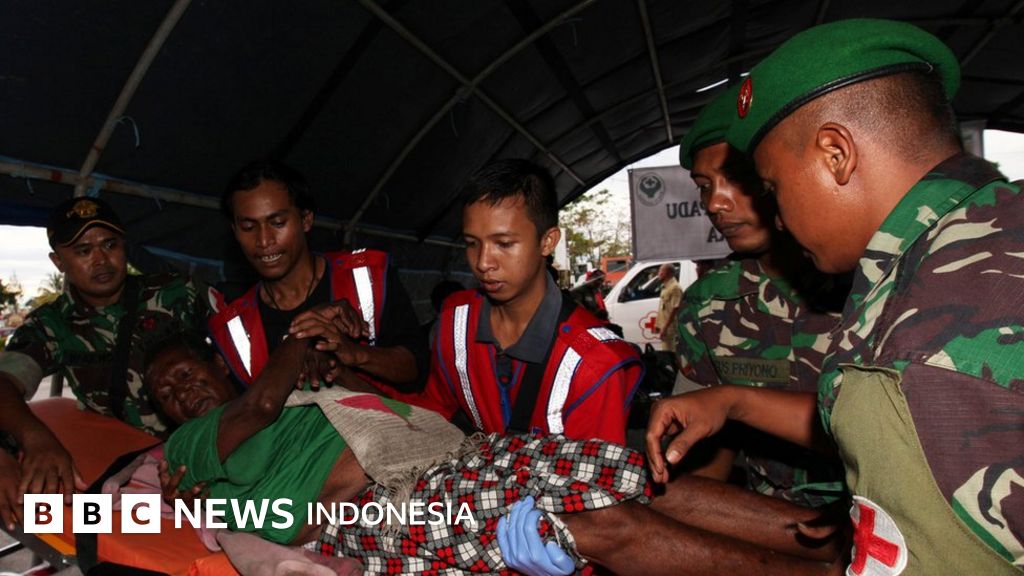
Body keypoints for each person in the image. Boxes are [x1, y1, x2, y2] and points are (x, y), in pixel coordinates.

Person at [649, 19, 1023, 574]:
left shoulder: (909, 346)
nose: (774, 214)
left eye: (770, 187)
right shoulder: (977, 235)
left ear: (835, 153)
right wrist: (734, 401)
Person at [146, 332, 841, 576]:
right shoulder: (193, 441)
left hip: (448, 455)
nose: (182, 394)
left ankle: (842, 547)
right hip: (384, 501)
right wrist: (297, 342)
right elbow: (259, 407)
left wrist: (332, 363)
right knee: (592, 522)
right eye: (165, 394)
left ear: (216, 366)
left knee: (634, 476)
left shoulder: (300, 399)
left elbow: (381, 395)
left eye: (185, 375)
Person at [672, 86, 846, 508]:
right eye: (704, 186)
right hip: (770, 516)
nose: (715, 203)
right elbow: (706, 458)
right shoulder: (708, 304)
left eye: (739, 178)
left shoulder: (869, 282)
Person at [0, 197, 209, 511]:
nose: (101, 260)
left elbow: (241, 344)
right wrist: (34, 440)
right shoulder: (51, 325)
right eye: (83, 251)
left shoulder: (177, 293)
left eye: (110, 245)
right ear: (58, 262)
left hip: (202, 446)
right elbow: (4, 385)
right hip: (127, 462)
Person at [421, 159, 643, 445]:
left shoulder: (594, 363)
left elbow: (595, 469)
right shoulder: (454, 324)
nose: (483, 262)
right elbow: (434, 413)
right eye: (472, 243)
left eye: (504, 243)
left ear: (547, 241)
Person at [208, 159, 428, 404]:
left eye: (278, 223)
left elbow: (415, 371)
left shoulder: (367, 278)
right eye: (249, 227)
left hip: (394, 425)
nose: (264, 240)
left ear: (306, 220)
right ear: (235, 231)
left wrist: (354, 353)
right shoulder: (234, 331)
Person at [653, 263, 683, 352]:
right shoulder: (666, 287)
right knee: (666, 351)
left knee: (671, 353)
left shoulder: (675, 287)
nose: (659, 274)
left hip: (670, 328)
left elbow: (675, 308)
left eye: (661, 271)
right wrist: (658, 324)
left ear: (669, 272)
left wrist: (665, 327)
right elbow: (663, 308)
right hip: (665, 327)